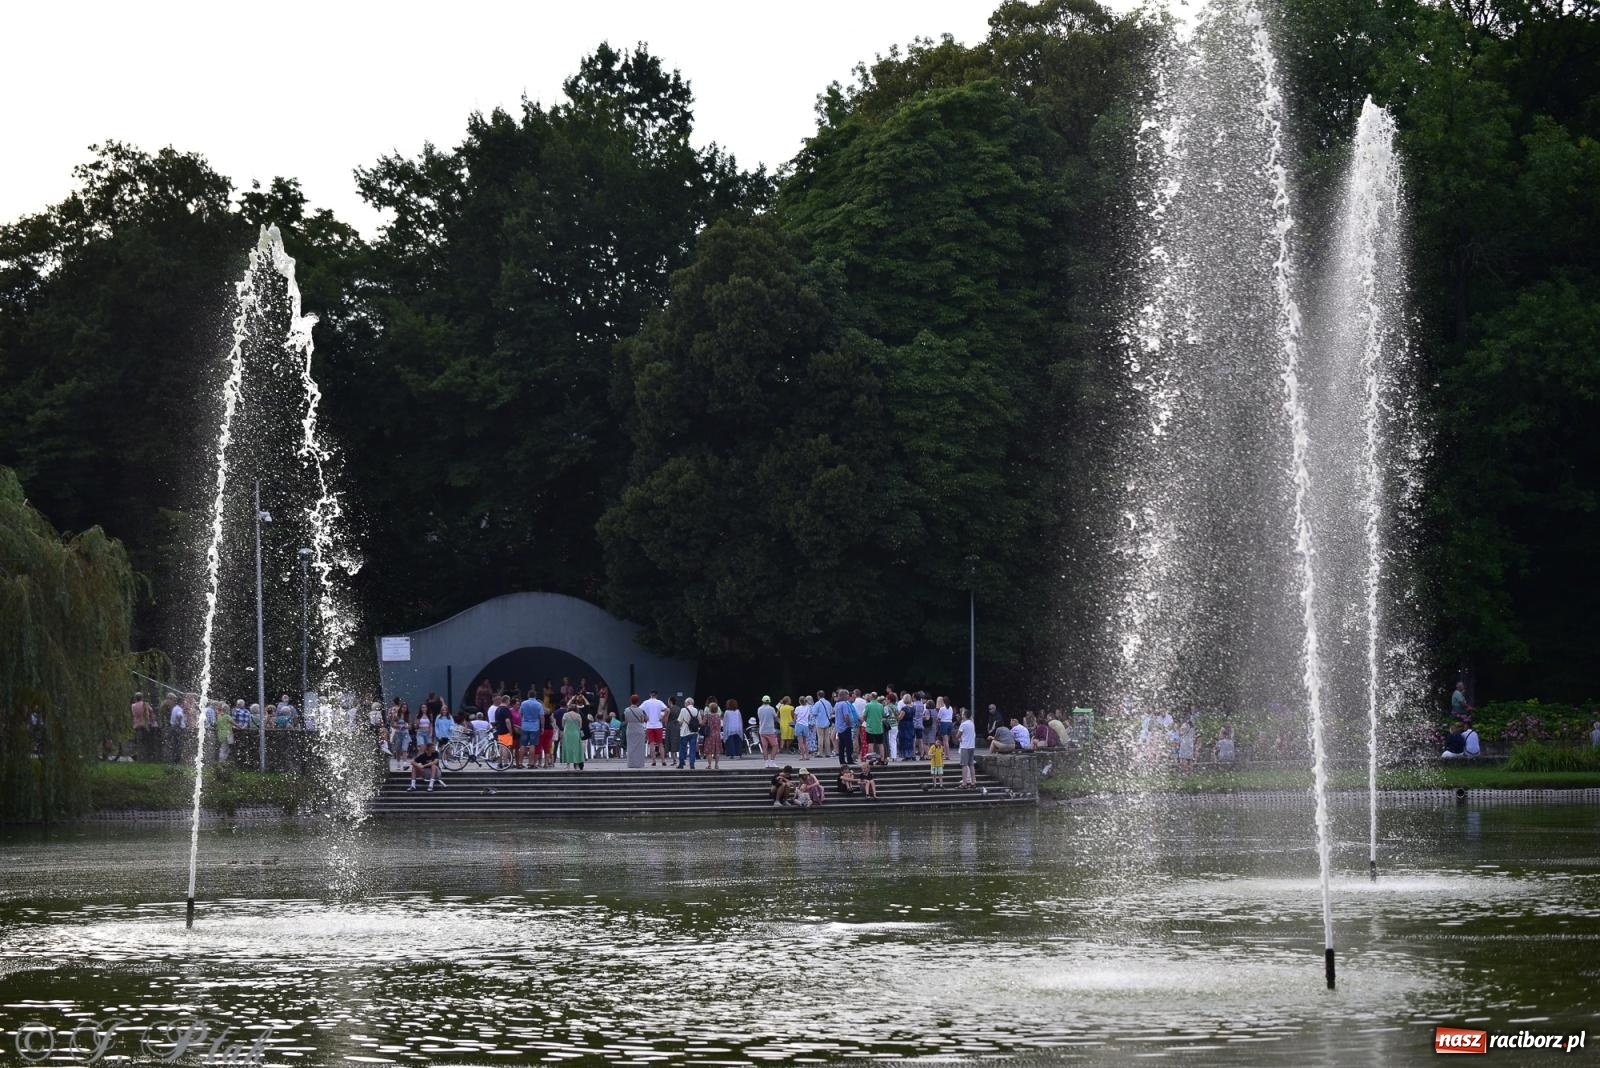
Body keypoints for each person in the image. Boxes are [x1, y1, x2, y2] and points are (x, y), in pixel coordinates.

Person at [519, 688, 544, 769]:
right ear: (535, 696)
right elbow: (541, 717)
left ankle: (520, 762)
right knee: (533, 745)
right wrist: (542, 727)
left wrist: (522, 722)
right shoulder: (539, 705)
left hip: (525, 726)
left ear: (528, 695)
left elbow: (520, 714)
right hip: (535, 726)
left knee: (523, 745)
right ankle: (531, 763)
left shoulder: (523, 703)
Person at [640, 690, 668, 765]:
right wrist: (663, 717)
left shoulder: (646, 702)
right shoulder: (659, 702)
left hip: (649, 726)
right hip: (658, 725)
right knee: (660, 744)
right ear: (657, 695)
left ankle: (654, 761)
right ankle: (663, 761)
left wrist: (645, 716)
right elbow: (667, 710)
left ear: (650, 695)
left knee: (651, 744)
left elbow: (639, 710)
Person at [833, 692, 857, 766]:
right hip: (845, 727)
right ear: (844, 695)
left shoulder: (837, 704)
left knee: (841, 745)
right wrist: (849, 723)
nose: (848, 696)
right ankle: (849, 759)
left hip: (839, 727)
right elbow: (846, 715)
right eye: (847, 695)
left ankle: (842, 760)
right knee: (849, 744)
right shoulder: (844, 704)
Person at [624, 694, 648, 769]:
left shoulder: (627, 710)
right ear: (638, 701)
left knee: (630, 747)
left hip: (630, 728)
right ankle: (639, 764)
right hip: (639, 729)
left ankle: (631, 763)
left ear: (630, 700)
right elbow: (642, 720)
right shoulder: (640, 710)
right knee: (640, 748)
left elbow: (626, 720)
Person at [560, 702, 586, 771]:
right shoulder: (578, 715)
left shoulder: (565, 715)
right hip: (575, 733)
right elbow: (580, 726)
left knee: (568, 748)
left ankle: (568, 765)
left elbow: (563, 725)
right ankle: (576, 765)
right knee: (576, 749)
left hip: (567, 733)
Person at [677, 698, 701, 769]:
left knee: (682, 748)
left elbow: (680, 722)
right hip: (694, 732)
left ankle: (681, 764)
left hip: (684, 732)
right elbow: (700, 722)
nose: (684, 704)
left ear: (688, 702)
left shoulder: (683, 710)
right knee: (692, 749)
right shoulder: (697, 710)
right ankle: (692, 764)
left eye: (685, 702)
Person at [957, 709, 978, 788]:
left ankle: (964, 783)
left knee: (964, 765)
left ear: (965, 715)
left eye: (962, 714)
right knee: (971, 764)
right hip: (972, 746)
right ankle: (973, 782)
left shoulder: (963, 724)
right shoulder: (972, 723)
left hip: (965, 746)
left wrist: (959, 738)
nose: (961, 715)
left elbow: (958, 735)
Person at [757, 696, 780, 767]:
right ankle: (772, 761)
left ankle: (766, 762)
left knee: (765, 747)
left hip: (762, 730)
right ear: (769, 701)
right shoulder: (771, 709)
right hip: (770, 730)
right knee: (775, 746)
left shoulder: (759, 709)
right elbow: (776, 718)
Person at [702, 700, 725, 770]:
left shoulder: (707, 716)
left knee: (709, 751)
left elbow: (703, 724)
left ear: (710, 708)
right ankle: (716, 765)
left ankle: (709, 765)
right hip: (717, 735)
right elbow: (721, 725)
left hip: (709, 735)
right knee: (717, 751)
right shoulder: (719, 716)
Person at [863, 694, 886, 764]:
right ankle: (882, 759)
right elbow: (883, 715)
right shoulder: (881, 705)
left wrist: (867, 720)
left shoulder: (868, 705)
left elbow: (864, 716)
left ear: (871, 697)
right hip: (879, 728)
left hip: (870, 728)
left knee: (871, 744)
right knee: (880, 744)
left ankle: (871, 759)